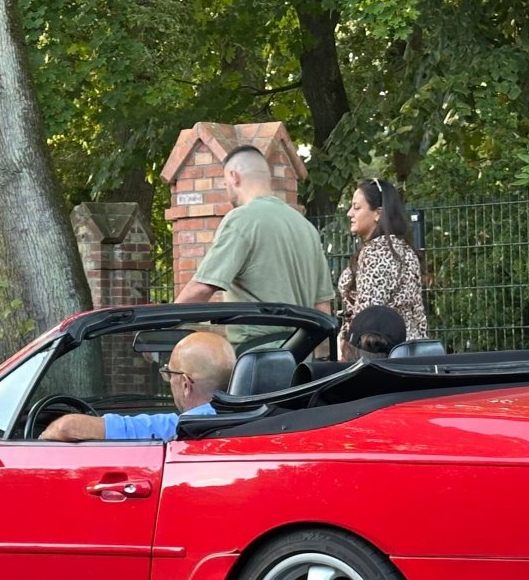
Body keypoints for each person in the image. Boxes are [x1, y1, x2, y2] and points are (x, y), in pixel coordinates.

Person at [175, 145, 333, 314]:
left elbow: (202, 289)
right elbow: (322, 306)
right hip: (304, 332)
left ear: (234, 177)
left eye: (225, 183)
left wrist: (163, 323)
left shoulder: (241, 220)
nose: (226, 190)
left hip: (257, 332)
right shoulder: (307, 228)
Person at [40, 331, 235, 442]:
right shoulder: (250, 420)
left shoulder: (176, 427)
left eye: (170, 374)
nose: (169, 381)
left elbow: (67, 428)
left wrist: (39, 440)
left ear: (185, 384)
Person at [336, 177, 428, 341]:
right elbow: (418, 314)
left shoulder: (377, 252)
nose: (349, 213)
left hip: (381, 350)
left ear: (378, 213)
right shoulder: (402, 248)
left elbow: (368, 318)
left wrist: (349, 343)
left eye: (356, 207)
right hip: (407, 345)